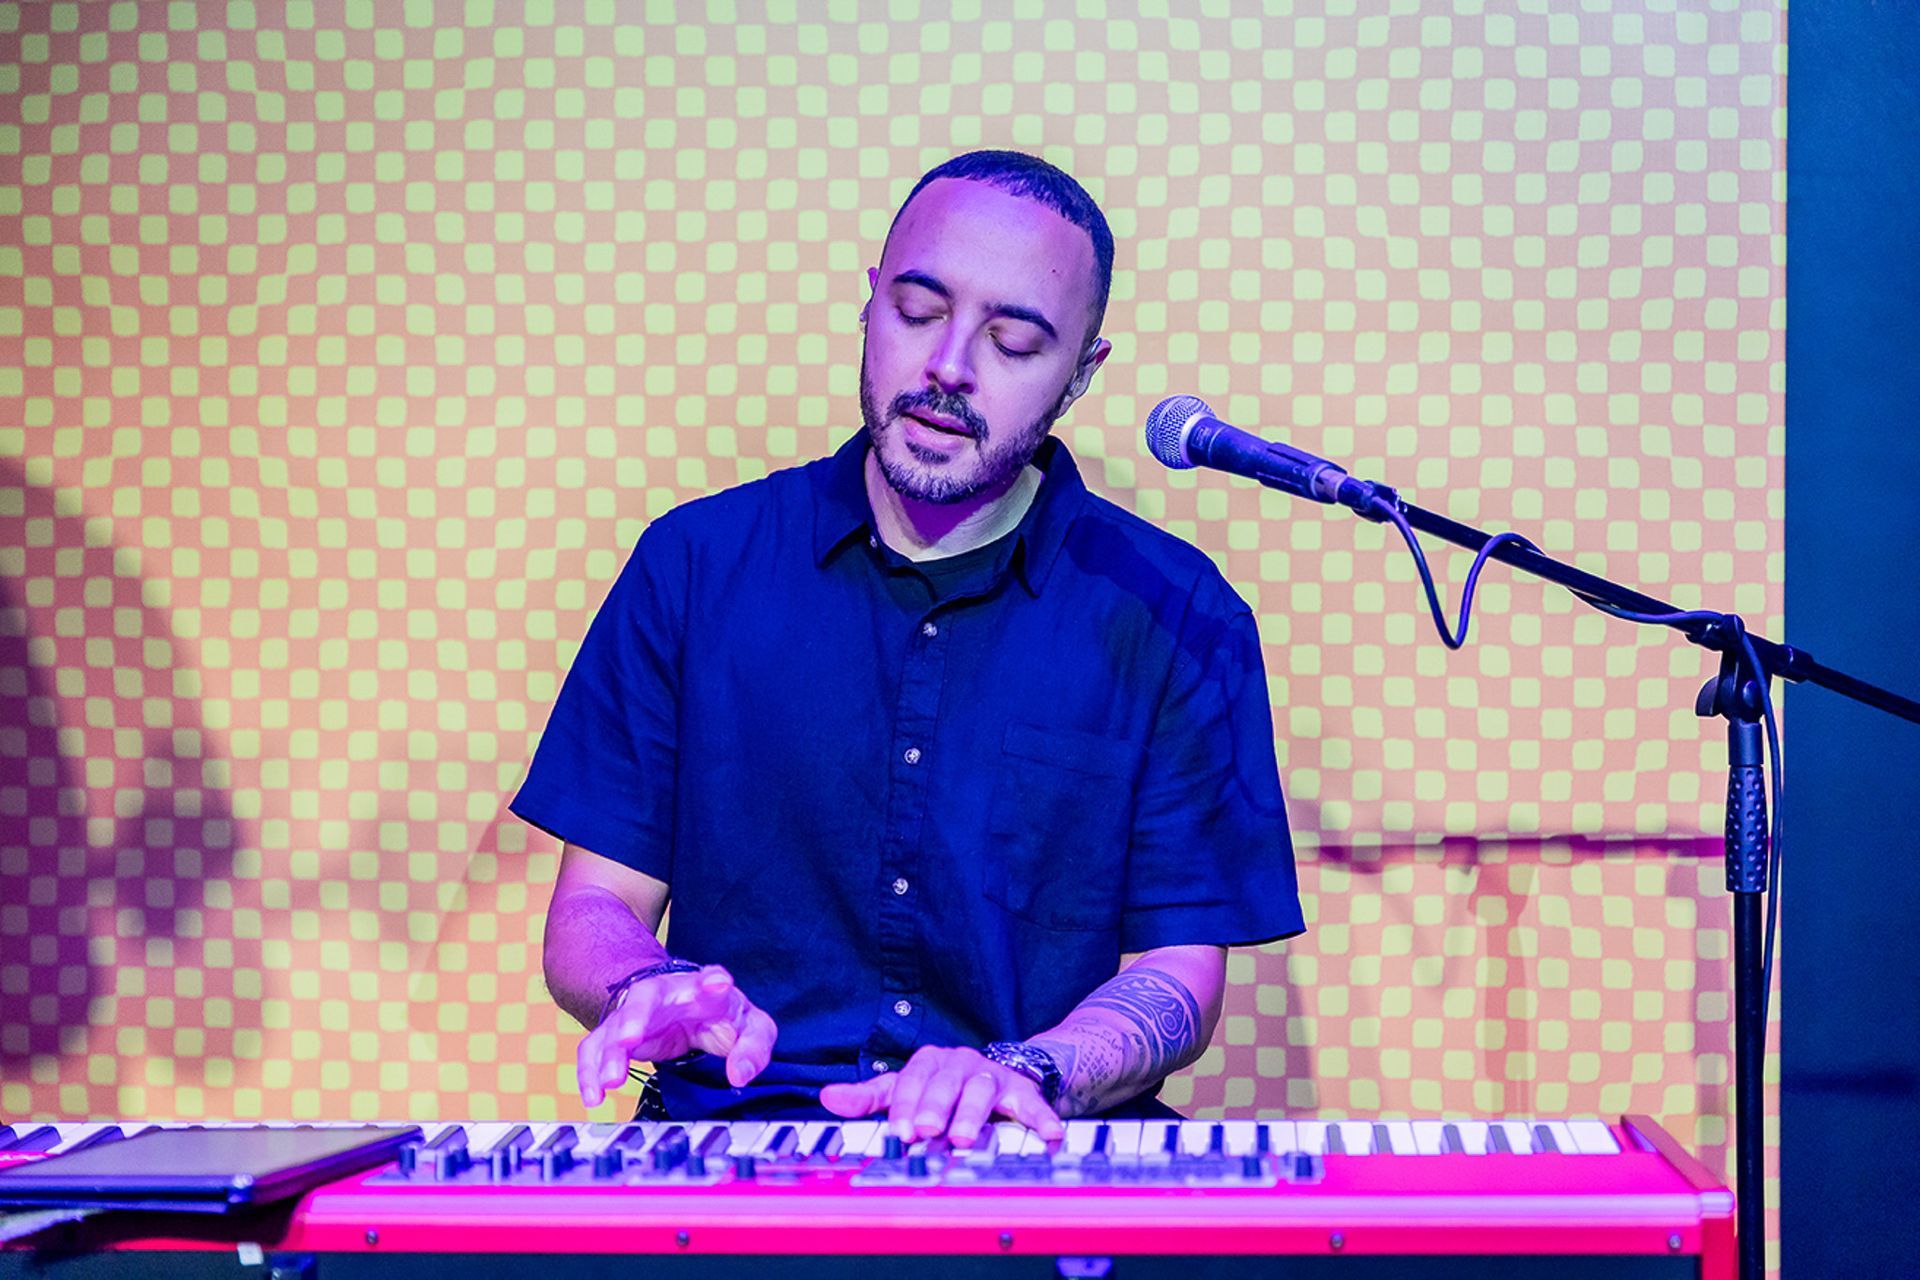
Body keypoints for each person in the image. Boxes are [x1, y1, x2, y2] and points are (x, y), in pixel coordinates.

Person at [511, 150, 1304, 1146]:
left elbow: (1178, 971)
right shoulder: (695, 564)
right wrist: (648, 982)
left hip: (1028, 1155)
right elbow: (594, 904)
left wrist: (1032, 1069)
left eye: (1014, 340)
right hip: (730, 1152)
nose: (949, 366)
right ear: (870, 305)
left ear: (1079, 376)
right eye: (919, 311)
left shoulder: (1178, 611)